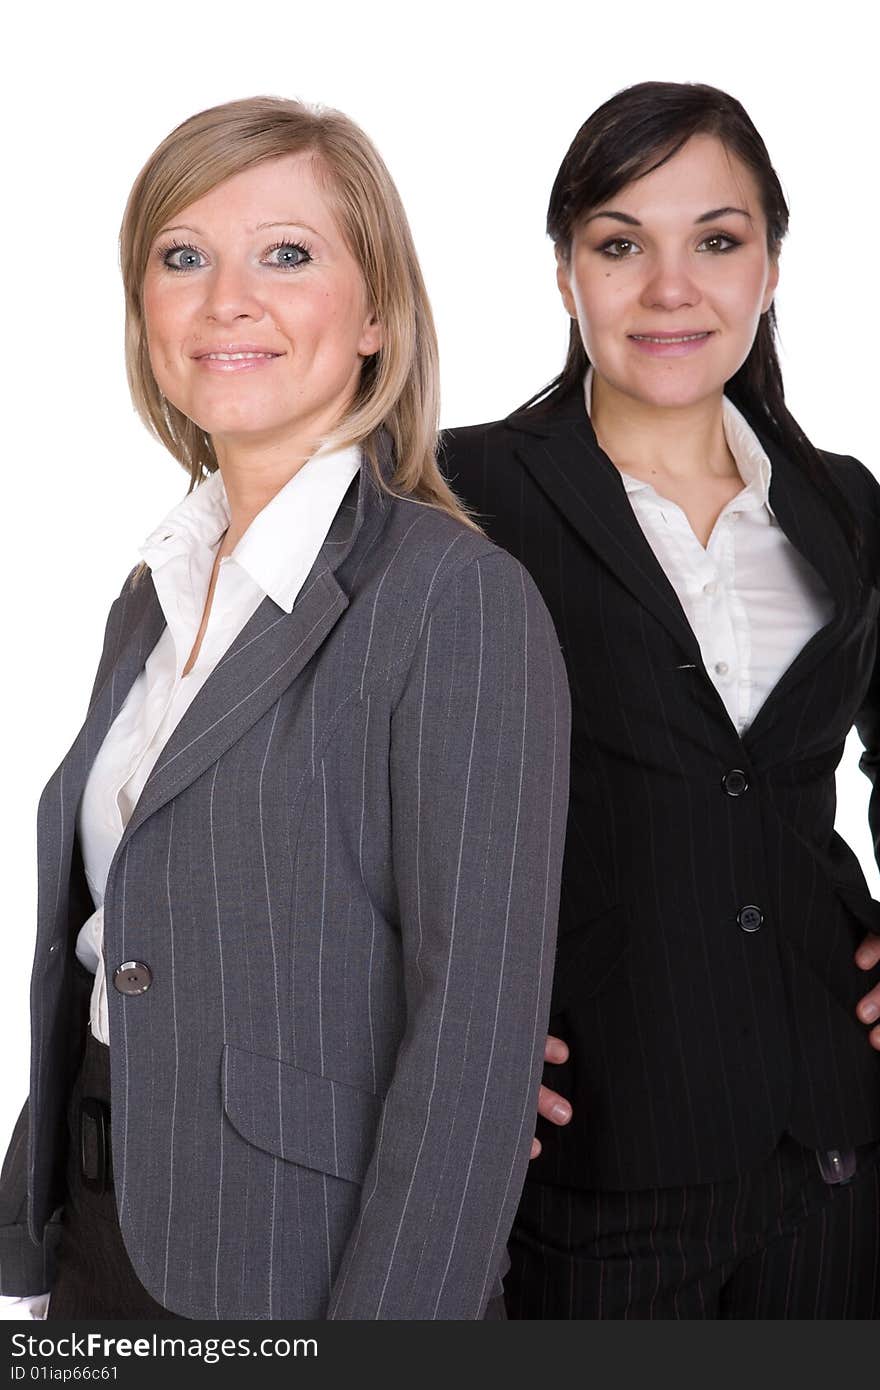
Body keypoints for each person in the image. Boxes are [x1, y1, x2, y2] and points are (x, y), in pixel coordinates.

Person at [0, 95, 570, 1321]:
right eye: (183, 257)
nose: (226, 300)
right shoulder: (152, 595)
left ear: (375, 315)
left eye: (288, 254)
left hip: (296, 1262)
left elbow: (474, 1042)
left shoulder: (453, 599)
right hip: (102, 1234)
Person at [441, 80, 880, 1318]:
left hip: (835, 1151)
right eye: (620, 244)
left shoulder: (844, 501)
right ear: (566, 273)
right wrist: (427, 1036)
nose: (669, 287)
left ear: (771, 268)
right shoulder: (454, 494)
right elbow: (342, 781)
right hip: (592, 1165)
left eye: (717, 241)